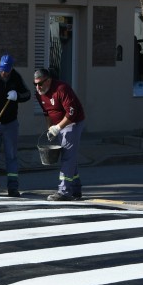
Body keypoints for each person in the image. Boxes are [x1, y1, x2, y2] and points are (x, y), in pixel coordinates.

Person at [33, 67, 86, 201]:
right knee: (70, 156)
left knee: (67, 156)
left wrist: (58, 128)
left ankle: (64, 191)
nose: (38, 87)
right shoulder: (39, 94)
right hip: (58, 125)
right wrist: (50, 128)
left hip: (72, 122)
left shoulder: (61, 89)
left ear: (49, 80)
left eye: (40, 83)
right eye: (35, 84)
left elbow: (71, 113)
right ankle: (76, 188)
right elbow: (47, 112)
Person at [0, 54, 31, 196]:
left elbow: (27, 94)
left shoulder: (16, 77)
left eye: (7, 70)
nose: (4, 73)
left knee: (11, 156)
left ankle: (13, 187)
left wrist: (17, 95)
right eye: (2, 70)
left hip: (10, 124)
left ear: (11, 69)